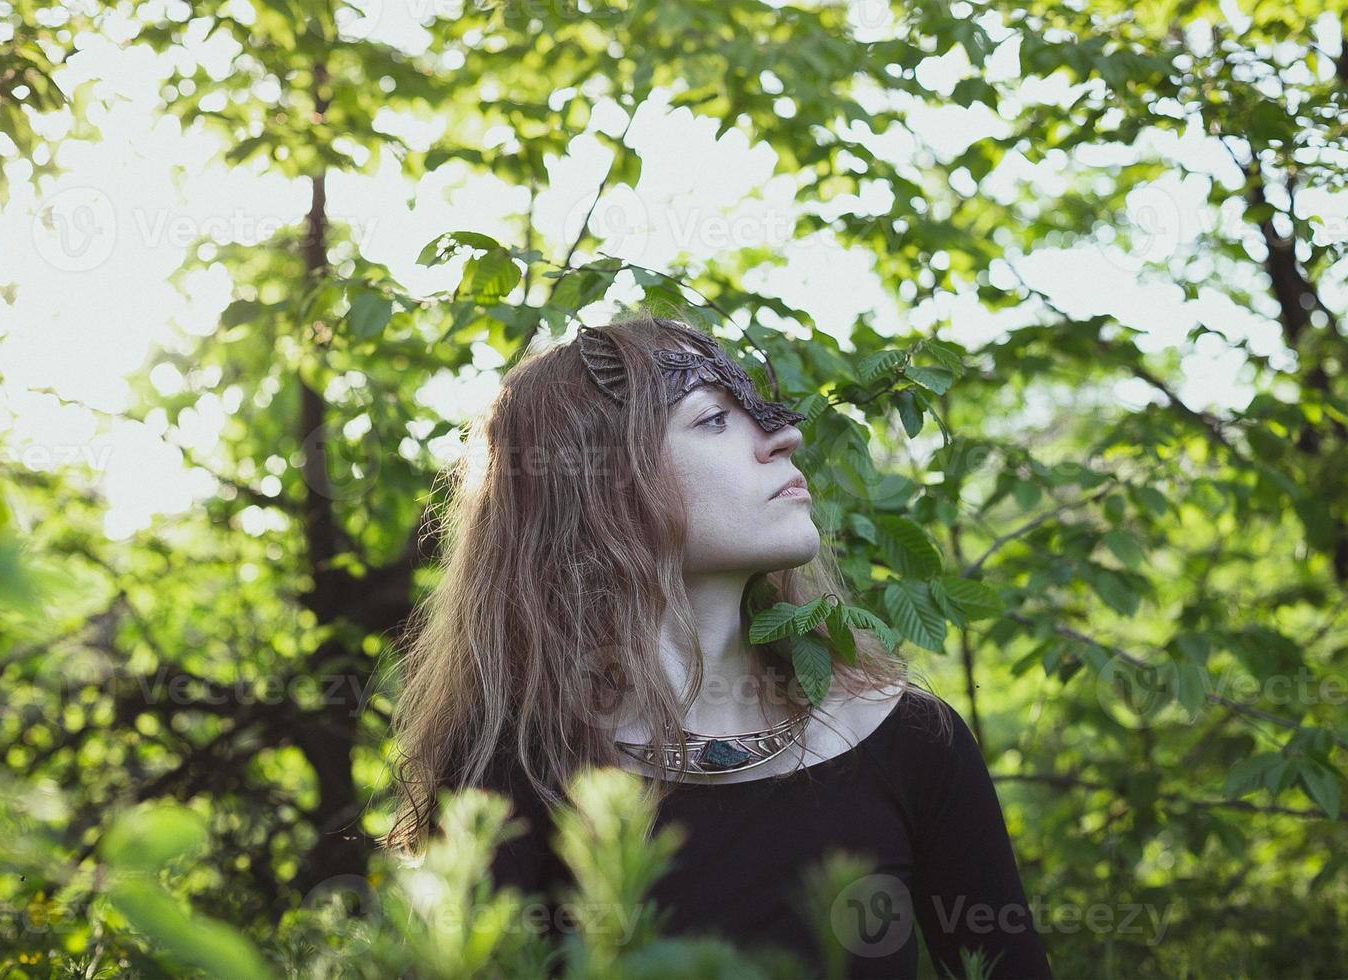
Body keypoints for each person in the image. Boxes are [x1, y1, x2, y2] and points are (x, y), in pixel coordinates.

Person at [381, 311, 1053, 979]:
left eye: (761, 412)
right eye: (712, 420)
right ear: (596, 482)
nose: (784, 436)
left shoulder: (912, 743)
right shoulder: (514, 768)